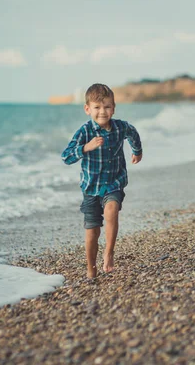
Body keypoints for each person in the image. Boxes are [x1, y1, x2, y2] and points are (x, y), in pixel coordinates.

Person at [61, 83, 143, 278]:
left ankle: (109, 252)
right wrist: (85, 148)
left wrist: (137, 150)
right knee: (92, 232)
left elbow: (133, 133)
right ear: (87, 109)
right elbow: (66, 157)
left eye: (107, 107)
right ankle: (91, 269)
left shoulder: (120, 127)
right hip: (91, 188)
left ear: (113, 108)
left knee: (112, 210)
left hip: (114, 183)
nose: (102, 112)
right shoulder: (84, 132)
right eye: (97, 107)